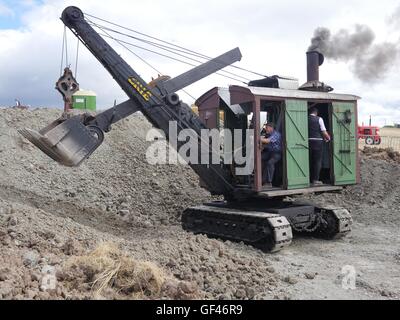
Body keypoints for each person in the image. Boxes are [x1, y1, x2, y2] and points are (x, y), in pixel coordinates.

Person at [308, 107, 331, 186]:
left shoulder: (305, 119)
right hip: (318, 142)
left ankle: (308, 178)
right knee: (317, 161)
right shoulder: (319, 119)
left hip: (307, 142)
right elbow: (324, 131)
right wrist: (328, 138)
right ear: (316, 113)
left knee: (309, 161)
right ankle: (315, 180)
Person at [261, 122, 282, 188]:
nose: (265, 129)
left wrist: (257, 138)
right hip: (270, 153)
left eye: (267, 127)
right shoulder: (268, 134)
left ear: (271, 128)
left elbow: (267, 141)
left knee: (270, 163)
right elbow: (266, 145)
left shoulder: (276, 134)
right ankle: (261, 180)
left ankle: (268, 182)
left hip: (276, 154)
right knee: (260, 159)